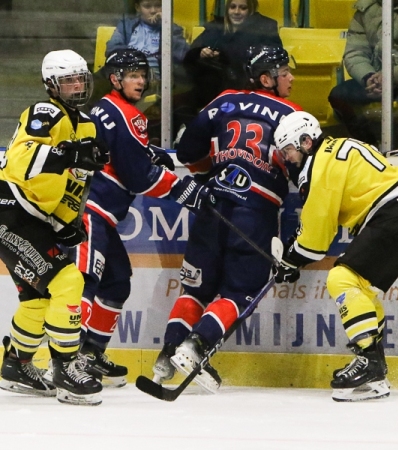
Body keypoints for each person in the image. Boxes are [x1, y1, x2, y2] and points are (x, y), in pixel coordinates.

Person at [152, 45, 302, 393]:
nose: (291, 77)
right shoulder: (291, 112)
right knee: (241, 291)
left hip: (212, 207)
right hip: (255, 212)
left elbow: (188, 150)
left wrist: (212, 178)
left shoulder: (223, 100)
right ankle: (195, 347)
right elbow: (301, 166)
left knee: (197, 288)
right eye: (284, 72)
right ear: (266, 78)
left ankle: (168, 353)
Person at [70, 48, 215, 389]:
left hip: (97, 213)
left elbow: (125, 152)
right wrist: (183, 190)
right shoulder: (127, 115)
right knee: (86, 282)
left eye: (142, 75)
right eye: (132, 75)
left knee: (117, 280)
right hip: (90, 212)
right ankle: (69, 358)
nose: (141, 81)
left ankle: (91, 352)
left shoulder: (104, 109)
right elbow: (138, 176)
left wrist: (153, 156)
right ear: (115, 79)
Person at [272, 110, 398, 401]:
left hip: (393, 213)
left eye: (289, 150)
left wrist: (290, 260)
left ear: (306, 141)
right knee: (362, 289)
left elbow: (315, 239)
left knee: (341, 278)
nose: (288, 158)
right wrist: (294, 256)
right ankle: (376, 373)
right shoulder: (339, 146)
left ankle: (369, 363)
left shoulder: (320, 165)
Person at [0, 50, 110, 406]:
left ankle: (16, 365)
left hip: (33, 215)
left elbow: (76, 184)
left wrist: (66, 222)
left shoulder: (88, 125)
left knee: (38, 298)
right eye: (68, 80)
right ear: (51, 85)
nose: (77, 86)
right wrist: (67, 154)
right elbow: (19, 160)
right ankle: (65, 367)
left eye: (80, 79)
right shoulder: (44, 112)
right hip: (10, 208)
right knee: (67, 280)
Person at [328, 0, 398, 148]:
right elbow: (355, 53)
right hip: (374, 81)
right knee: (339, 95)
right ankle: (368, 146)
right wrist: (368, 77)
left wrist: (392, 76)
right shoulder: (366, 9)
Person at [105, 0, 193, 139]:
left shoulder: (172, 29)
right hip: (127, 71)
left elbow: (183, 56)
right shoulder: (126, 26)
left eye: (158, 6)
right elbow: (112, 49)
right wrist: (134, 59)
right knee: (99, 79)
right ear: (138, 7)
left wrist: (165, 28)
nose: (153, 11)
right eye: (147, 6)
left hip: (154, 77)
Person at [183, 0, 282, 110]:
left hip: (247, 91)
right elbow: (191, 54)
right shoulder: (216, 27)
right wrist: (201, 52)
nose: (236, 12)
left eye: (243, 8)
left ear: (251, 9)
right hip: (213, 90)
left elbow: (272, 58)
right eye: (232, 7)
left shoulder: (265, 28)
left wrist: (224, 55)